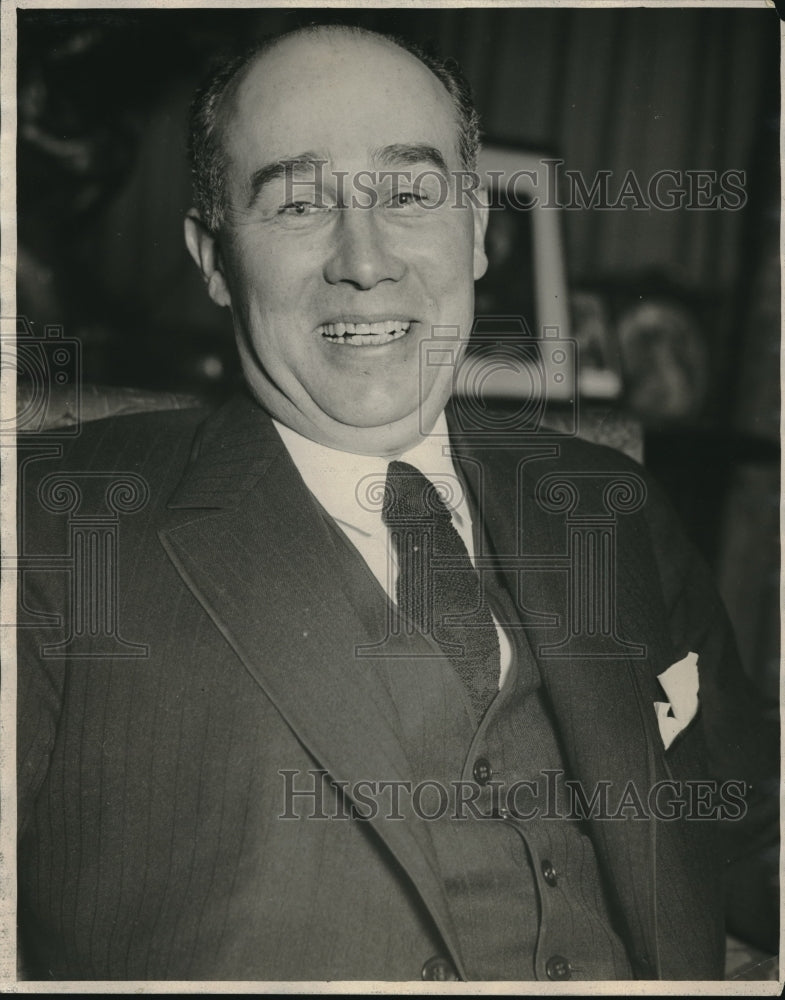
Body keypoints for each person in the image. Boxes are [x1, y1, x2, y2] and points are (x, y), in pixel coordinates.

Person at [17, 24, 777, 982]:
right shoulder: (54, 519)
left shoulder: (607, 504)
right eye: (298, 203)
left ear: (472, 232)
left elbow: (751, 831)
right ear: (212, 256)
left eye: (411, 194)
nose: (364, 260)